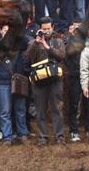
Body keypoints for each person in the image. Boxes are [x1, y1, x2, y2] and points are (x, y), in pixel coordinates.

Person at [26, 17, 66, 145]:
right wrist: (37, 42)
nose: (47, 31)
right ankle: (43, 136)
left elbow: (61, 56)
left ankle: (59, 135)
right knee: (40, 109)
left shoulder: (58, 41)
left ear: (52, 27)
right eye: (44, 29)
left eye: (49, 28)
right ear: (40, 29)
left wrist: (47, 47)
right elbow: (27, 57)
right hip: (39, 80)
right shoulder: (34, 42)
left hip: (55, 79)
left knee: (57, 108)